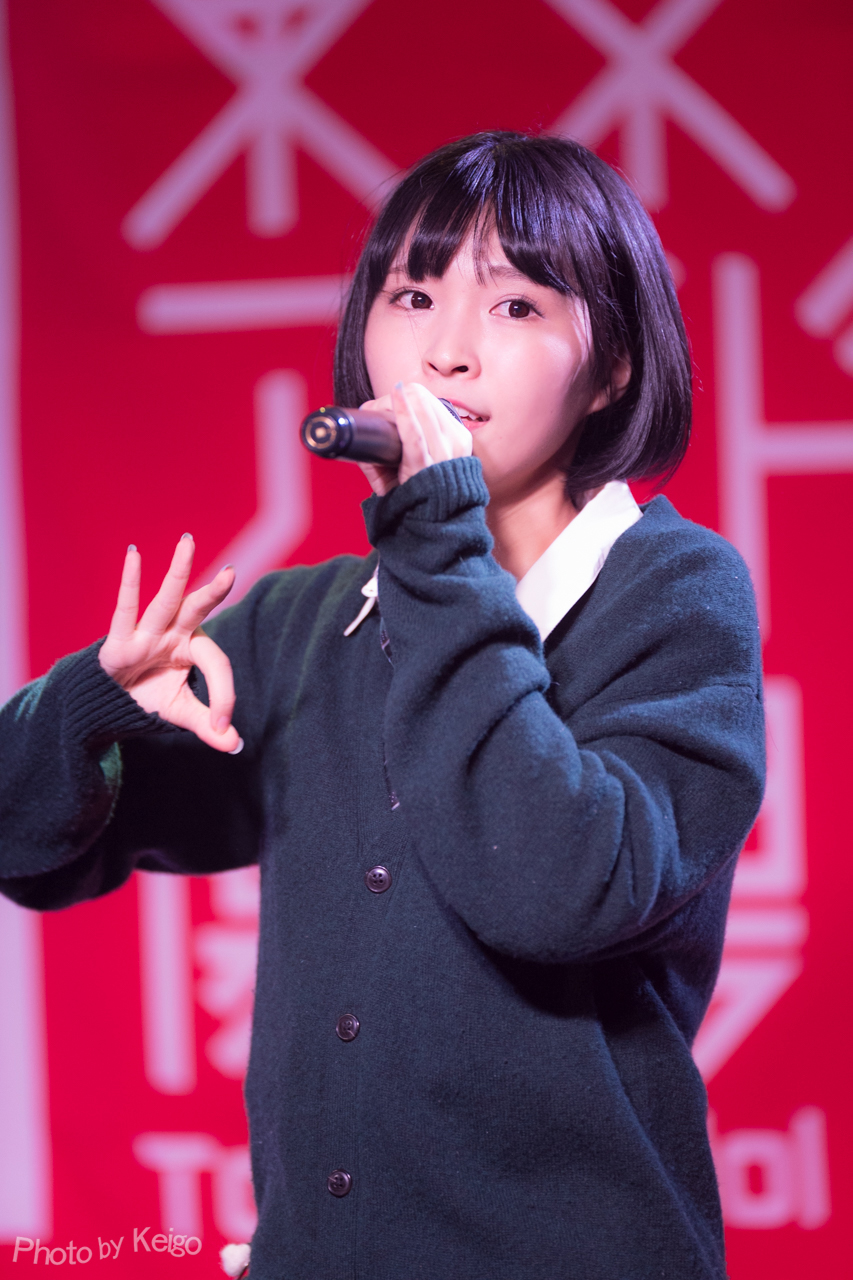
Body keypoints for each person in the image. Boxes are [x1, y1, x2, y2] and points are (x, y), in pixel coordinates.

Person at [0, 132, 764, 1279]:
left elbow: (557, 886)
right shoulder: (306, 621)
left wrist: (435, 538)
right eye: (412, 295)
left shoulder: (673, 591)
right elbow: (26, 844)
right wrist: (90, 706)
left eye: (515, 306)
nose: (446, 350)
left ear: (609, 368)